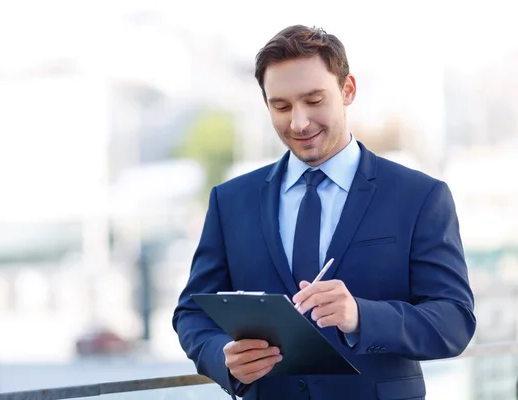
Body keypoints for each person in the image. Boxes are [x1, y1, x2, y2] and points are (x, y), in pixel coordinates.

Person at [172, 24, 476, 400]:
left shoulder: (419, 196)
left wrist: (362, 317)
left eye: (314, 101)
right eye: (281, 106)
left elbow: (454, 321)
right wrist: (224, 358)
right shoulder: (231, 201)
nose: (298, 123)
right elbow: (191, 313)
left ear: (347, 90)